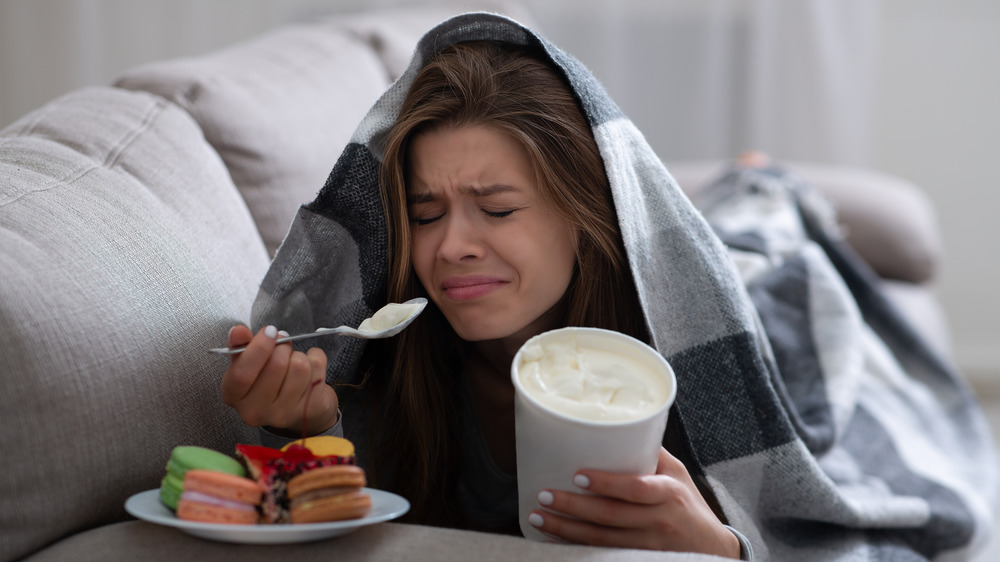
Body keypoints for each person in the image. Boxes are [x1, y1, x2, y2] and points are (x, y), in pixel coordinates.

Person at [221, 12, 995, 562]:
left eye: (497, 208)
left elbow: (872, 528)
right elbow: (332, 512)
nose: (452, 246)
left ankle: (757, 187)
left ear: (588, 215)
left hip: (755, 278)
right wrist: (298, 430)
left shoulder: (695, 360)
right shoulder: (389, 361)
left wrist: (724, 549)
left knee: (762, 236)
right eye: (425, 213)